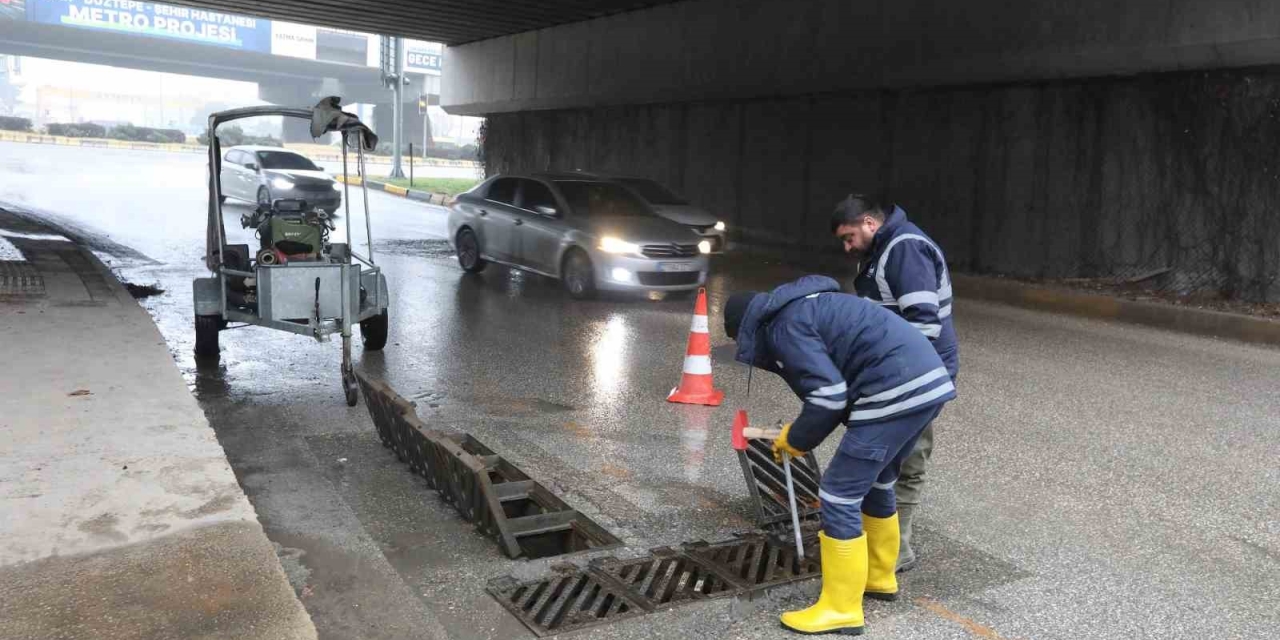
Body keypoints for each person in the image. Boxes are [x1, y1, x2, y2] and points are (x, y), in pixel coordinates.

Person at [723, 275, 956, 636]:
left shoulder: (786, 327)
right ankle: (879, 576)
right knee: (880, 481)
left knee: (838, 494)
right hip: (926, 386)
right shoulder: (808, 308)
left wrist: (797, 439)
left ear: (747, 330)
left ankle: (841, 608)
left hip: (893, 391)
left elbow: (829, 397)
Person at [831, 194, 959, 573]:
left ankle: (893, 554)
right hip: (902, 373)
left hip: (918, 374)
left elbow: (923, 325)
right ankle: (882, 546)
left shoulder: (905, 250)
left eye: (850, 236)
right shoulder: (880, 250)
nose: (847, 246)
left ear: (870, 223)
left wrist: (890, 381)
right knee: (891, 459)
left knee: (905, 460)